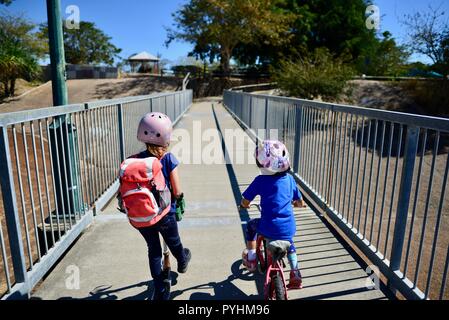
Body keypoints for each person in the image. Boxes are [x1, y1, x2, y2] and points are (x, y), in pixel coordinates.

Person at [129, 112, 191, 300]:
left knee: (153, 250)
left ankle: (160, 288)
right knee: (174, 243)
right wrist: (179, 201)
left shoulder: (135, 160)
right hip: (165, 214)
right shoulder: (169, 159)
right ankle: (182, 260)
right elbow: (177, 191)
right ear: (166, 137)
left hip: (142, 217)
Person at [239, 140, 305, 290]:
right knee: (289, 242)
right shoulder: (290, 180)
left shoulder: (260, 181)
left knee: (251, 226)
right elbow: (300, 201)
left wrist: (244, 205)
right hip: (288, 228)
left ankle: (251, 258)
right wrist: (297, 204)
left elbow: (245, 200)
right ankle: (295, 271)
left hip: (267, 227)